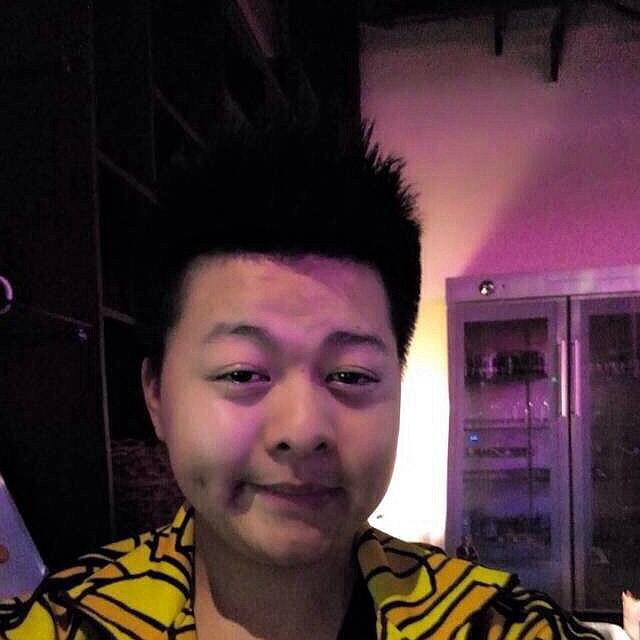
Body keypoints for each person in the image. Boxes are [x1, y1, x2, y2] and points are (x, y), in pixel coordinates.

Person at [0, 124, 604, 639]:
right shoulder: (68, 625)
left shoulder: (488, 624)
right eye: (242, 373)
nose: (303, 428)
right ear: (156, 394)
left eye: (350, 375)